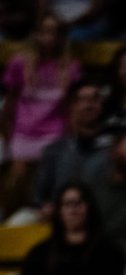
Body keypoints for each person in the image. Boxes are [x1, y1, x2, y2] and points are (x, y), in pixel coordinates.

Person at [0, 13, 81, 217]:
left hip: (55, 134)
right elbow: (9, 103)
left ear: (63, 36)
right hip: (23, 132)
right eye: (44, 32)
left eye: (55, 32)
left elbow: (72, 107)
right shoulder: (19, 63)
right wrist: (9, 140)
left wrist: (70, 138)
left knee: (49, 185)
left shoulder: (71, 67)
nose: (50, 37)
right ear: (35, 34)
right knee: (15, 183)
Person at [13, 182, 126, 275]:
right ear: (59, 210)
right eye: (67, 204)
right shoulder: (41, 252)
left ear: (90, 207)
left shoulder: (109, 252)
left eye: (79, 203)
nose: (73, 210)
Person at [31, 79, 109, 217]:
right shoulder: (54, 151)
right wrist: (45, 206)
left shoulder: (114, 150)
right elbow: (39, 196)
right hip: (58, 219)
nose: (89, 105)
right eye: (83, 100)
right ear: (72, 106)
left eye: (95, 99)